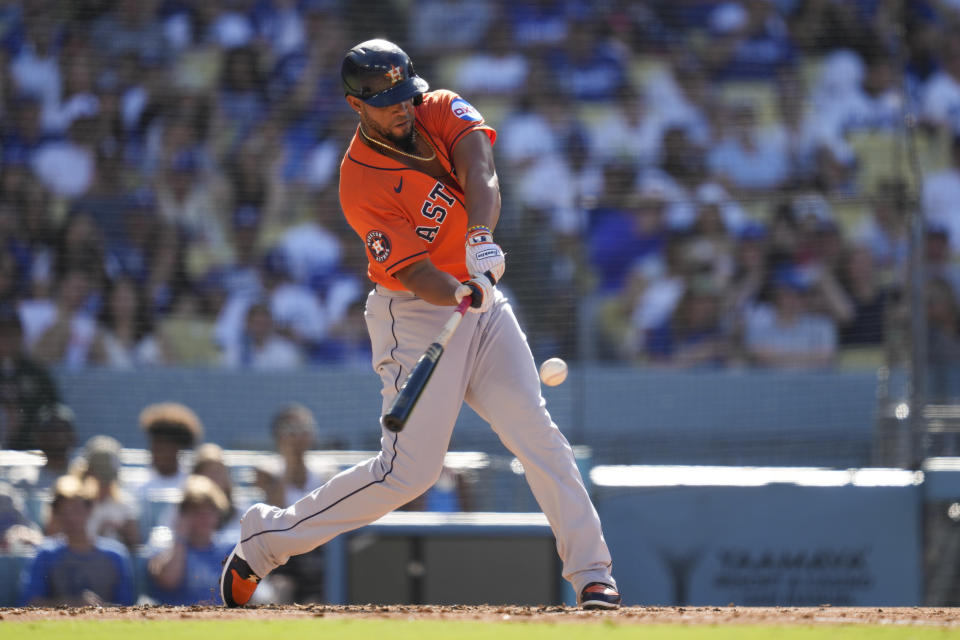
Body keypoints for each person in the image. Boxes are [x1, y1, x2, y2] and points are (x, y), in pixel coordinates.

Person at [220, 39, 619, 611]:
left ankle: (592, 576)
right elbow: (413, 273)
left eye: (405, 94)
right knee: (407, 474)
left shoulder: (438, 107)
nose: (402, 108)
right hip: (414, 310)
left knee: (538, 436)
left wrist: (479, 238)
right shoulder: (359, 180)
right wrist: (460, 287)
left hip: (480, 301)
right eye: (386, 102)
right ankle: (265, 540)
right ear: (357, 106)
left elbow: (481, 170)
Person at [19, 475, 136, 606]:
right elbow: (30, 603)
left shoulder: (115, 555)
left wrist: (97, 609)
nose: (71, 518)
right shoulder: (45, 554)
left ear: (89, 510)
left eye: (76, 510)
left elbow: (127, 606)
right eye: (64, 511)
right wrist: (73, 604)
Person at [147, 474, 233, 605]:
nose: (205, 517)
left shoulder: (231, 550)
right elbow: (169, 580)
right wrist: (180, 538)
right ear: (182, 515)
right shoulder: (162, 547)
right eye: (197, 511)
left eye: (210, 510)